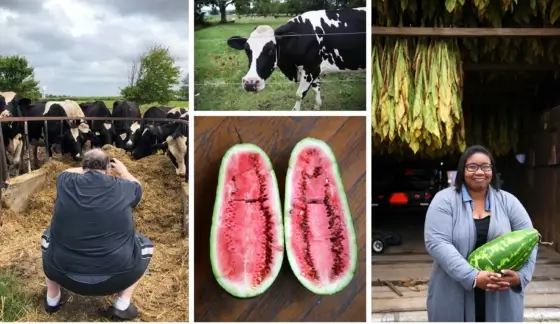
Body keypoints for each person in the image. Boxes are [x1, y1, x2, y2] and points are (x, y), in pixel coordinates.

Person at [424, 145, 537, 322]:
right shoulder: (444, 200)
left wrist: (521, 277)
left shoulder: (508, 202)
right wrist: (473, 277)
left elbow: (531, 238)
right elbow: (437, 242)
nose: (479, 172)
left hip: (501, 294)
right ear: (463, 170)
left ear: (492, 170)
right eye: (472, 167)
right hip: (453, 291)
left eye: (486, 166)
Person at [41, 148, 154, 320]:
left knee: (47, 236)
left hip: (63, 272)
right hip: (117, 277)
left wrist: (88, 169)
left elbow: (66, 171)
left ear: (82, 167)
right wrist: (124, 171)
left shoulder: (65, 181)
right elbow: (138, 187)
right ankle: (122, 304)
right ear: (108, 170)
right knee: (146, 244)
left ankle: (52, 299)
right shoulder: (126, 187)